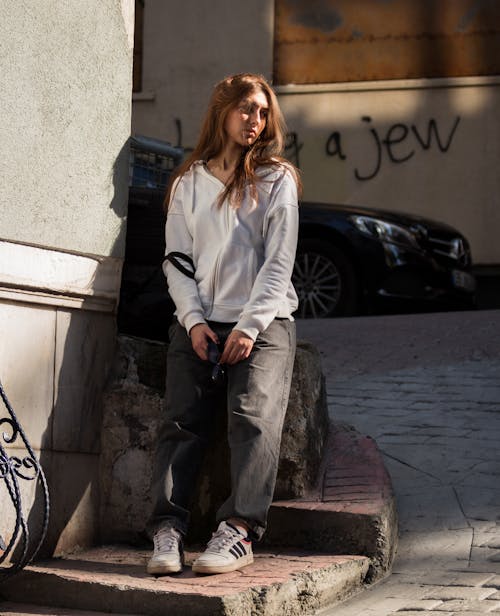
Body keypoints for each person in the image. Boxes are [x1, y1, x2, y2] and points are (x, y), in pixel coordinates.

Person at [147, 73, 301, 576]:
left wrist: (250, 326)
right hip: (200, 323)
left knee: (253, 416)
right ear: (221, 112)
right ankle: (167, 531)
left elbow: (279, 263)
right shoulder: (189, 182)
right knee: (180, 422)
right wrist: (192, 321)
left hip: (266, 321)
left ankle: (238, 531)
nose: (254, 121)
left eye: (261, 112)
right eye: (245, 110)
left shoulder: (277, 181)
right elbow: (176, 260)